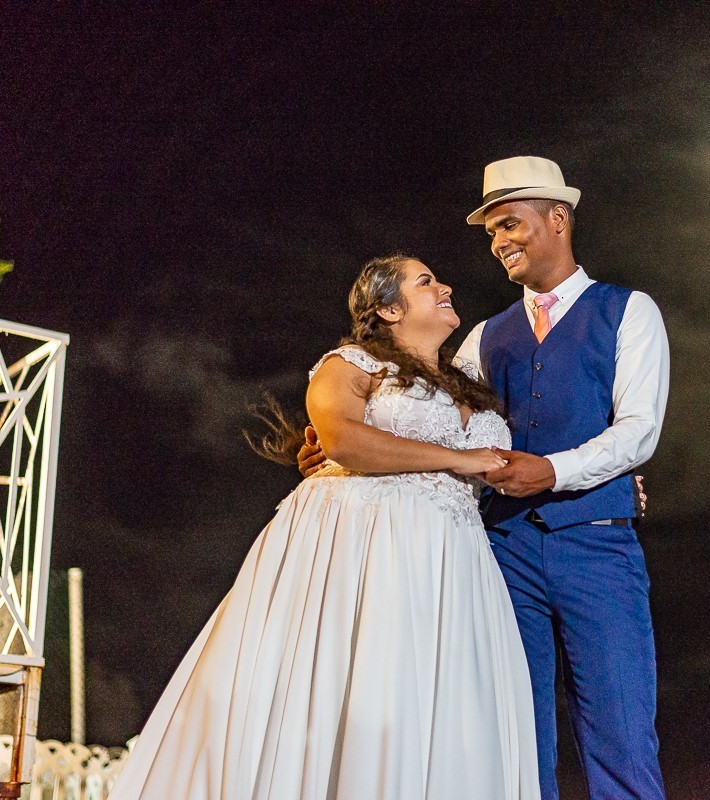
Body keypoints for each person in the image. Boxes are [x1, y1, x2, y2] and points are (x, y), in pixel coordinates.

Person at [301, 157, 670, 799]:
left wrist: (557, 471)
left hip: (597, 542)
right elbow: (433, 426)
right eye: (492, 231)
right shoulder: (480, 339)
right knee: (515, 737)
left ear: (557, 219)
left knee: (622, 733)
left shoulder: (628, 312)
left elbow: (638, 431)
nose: (499, 242)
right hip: (501, 553)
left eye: (509, 224)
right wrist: (340, 454)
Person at [109, 255, 540, 800]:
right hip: (361, 538)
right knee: (357, 686)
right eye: (425, 281)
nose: (445, 286)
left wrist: (616, 482)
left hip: (452, 555)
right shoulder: (352, 363)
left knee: (439, 701)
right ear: (387, 307)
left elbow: (515, 459)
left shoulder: (472, 382)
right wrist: (459, 459)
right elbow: (341, 440)